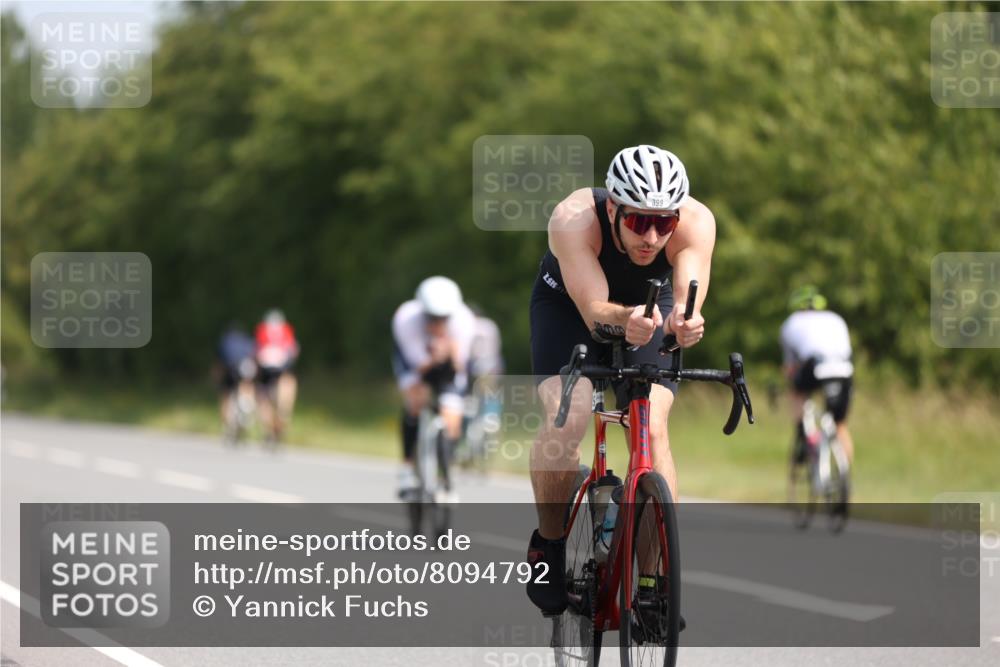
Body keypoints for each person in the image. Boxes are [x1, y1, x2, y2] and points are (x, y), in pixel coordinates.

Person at [526, 144, 715, 618]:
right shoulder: (574, 218)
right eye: (636, 222)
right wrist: (628, 319)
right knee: (569, 417)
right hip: (570, 307)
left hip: (651, 308)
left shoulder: (696, 222)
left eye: (663, 223)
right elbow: (593, 312)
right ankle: (548, 547)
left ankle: (652, 583)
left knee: (651, 428)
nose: (651, 236)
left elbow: (686, 303)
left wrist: (684, 325)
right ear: (613, 207)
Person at [392, 276, 477, 503]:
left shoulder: (464, 321)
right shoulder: (406, 319)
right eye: (431, 317)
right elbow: (418, 367)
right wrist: (433, 356)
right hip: (416, 363)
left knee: (452, 418)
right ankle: (407, 468)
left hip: (449, 365)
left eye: (443, 318)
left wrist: (449, 352)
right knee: (416, 401)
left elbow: (459, 367)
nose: (437, 322)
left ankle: (445, 476)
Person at [780, 286, 855, 466]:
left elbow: (790, 368)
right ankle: (845, 481)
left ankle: (803, 434)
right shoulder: (836, 319)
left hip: (816, 366)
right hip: (844, 368)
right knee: (840, 425)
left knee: (796, 392)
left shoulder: (791, 323)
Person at [254, 309, 300, 443]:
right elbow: (294, 350)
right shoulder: (286, 330)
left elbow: (256, 351)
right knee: (286, 392)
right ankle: (282, 417)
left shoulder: (262, 329)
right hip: (283, 368)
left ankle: (267, 429)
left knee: (263, 399)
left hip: (265, 370)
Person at [215, 323, 257, 431]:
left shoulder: (225, 341)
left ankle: (226, 426)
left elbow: (220, 363)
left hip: (231, 368)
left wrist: (218, 379)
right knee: (247, 385)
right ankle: (247, 404)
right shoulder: (248, 341)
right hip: (246, 367)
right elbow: (255, 358)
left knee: (226, 394)